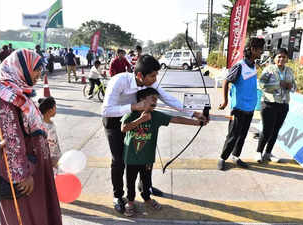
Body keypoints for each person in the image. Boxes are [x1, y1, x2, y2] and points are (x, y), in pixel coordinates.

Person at [101, 54, 208, 214]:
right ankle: (118, 196)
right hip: (115, 121)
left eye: (156, 75)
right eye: (152, 75)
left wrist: (194, 114)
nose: (155, 79)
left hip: (139, 119)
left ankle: (145, 188)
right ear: (139, 75)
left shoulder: (150, 82)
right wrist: (134, 107)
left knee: (142, 157)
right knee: (119, 161)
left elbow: (169, 99)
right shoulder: (119, 81)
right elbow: (106, 110)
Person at [121, 88, 207, 217]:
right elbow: (124, 128)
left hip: (147, 157)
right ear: (141, 100)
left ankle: (147, 198)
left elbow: (176, 119)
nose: (156, 101)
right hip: (131, 157)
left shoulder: (156, 115)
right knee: (130, 181)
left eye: (156, 98)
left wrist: (197, 123)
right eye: (153, 98)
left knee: (146, 180)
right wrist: (140, 120)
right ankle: (131, 201)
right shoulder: (131, 114)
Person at [0, 49, 62, 225]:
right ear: (21, 68)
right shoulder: (6, 96)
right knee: (28, 217)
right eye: (36, 69)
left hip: (35, 167)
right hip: (23, 176)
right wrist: (21, 175)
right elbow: (11, 136)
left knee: (41, 213)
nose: (39, 74)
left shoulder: (19, 93)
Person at [217, 37, 265, 170]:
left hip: (249, 108)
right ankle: (222, 157)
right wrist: (225, 101)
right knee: (233, 135)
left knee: (242, 135)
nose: (262, 52)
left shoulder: (253, 65)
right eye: (260, 49)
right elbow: (226, 81)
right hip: (238, 108)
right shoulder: (240, 66)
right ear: (253, 49)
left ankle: (236, 156)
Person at [254, 48, 296, 163]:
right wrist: (278, 84)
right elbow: (261, 84)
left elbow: (294, 87)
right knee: (267, 130)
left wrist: (290, 86)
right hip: (269, 103)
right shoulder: (269, 69)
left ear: (287, 59)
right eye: (279, 56)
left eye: (284, 57)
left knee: (276, 130)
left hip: (283, 104)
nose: (281, 59)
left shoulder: (290, 71)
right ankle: (259, 152)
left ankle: (268, 153)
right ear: (274, 58)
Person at [38, 97, 62, 171]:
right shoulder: (49, 127)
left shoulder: (41, 122)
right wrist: (56, 158)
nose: (56, 109)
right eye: (55, 107)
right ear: (50, 110)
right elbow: (52, 144)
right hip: (51, 159)